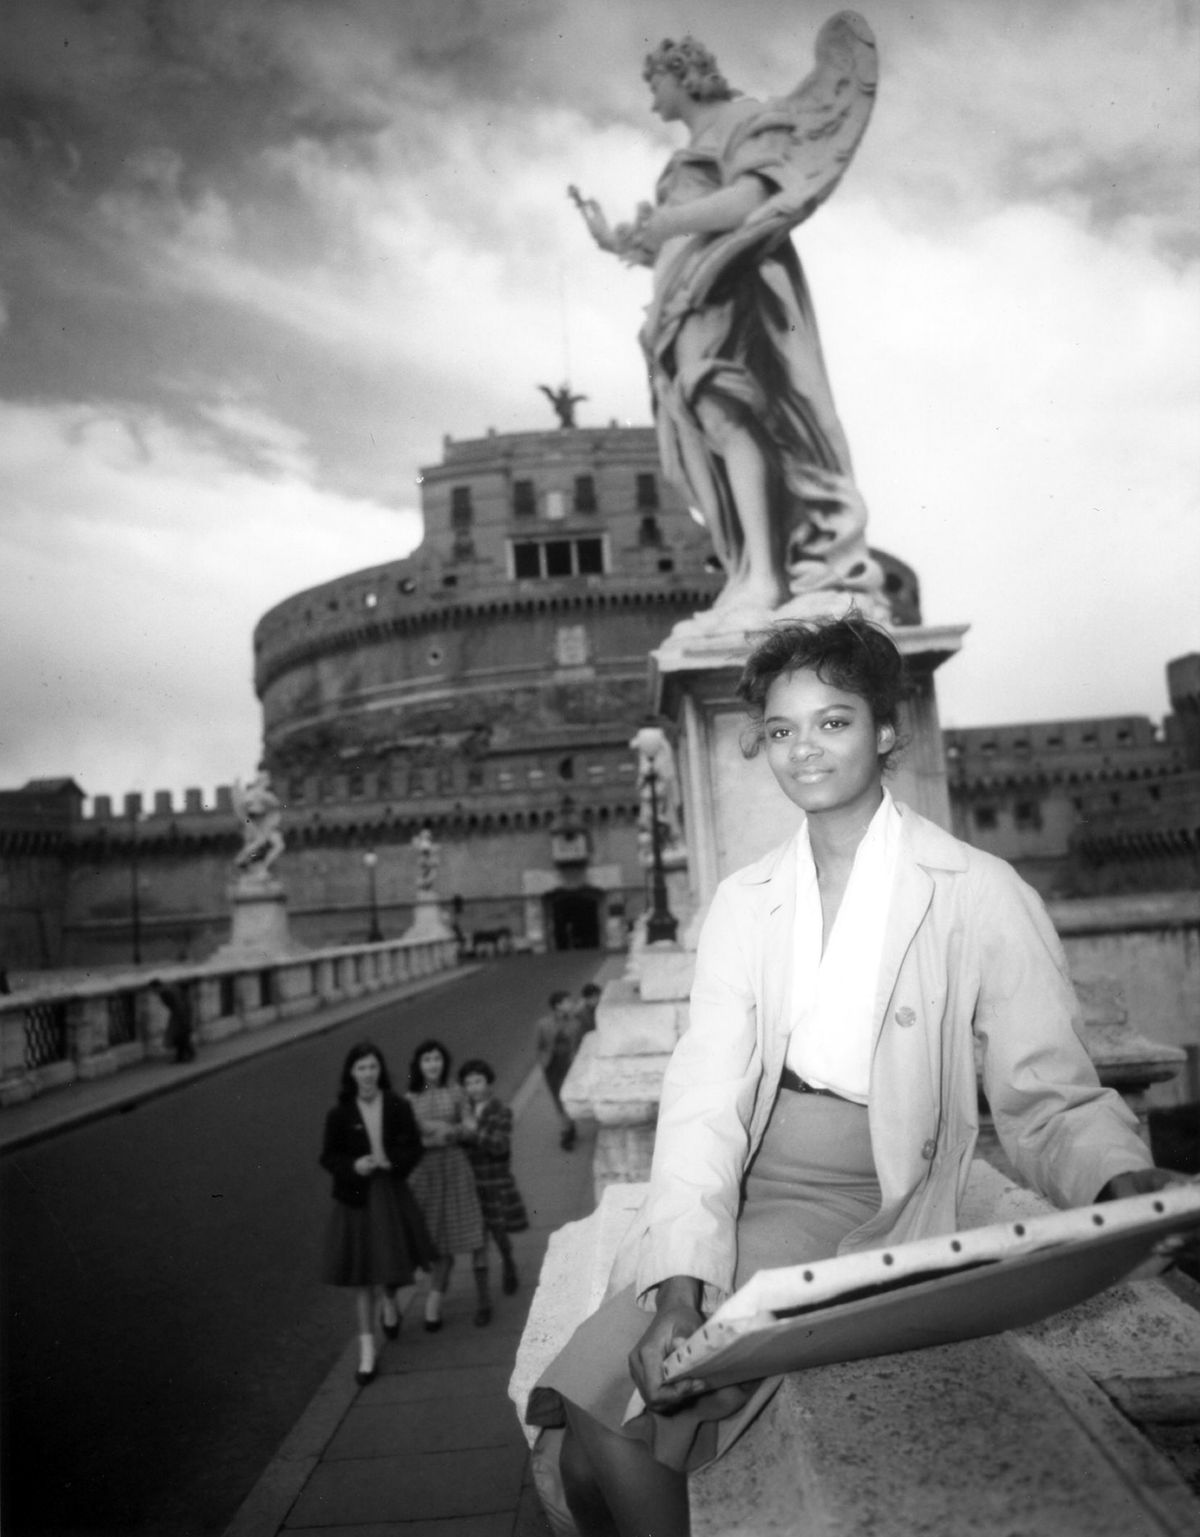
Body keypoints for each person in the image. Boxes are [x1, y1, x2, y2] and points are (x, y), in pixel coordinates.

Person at [526, 614, 1179, 1537]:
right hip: (743, 1167)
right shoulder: (745, 900)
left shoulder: (980, 891)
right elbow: (707, 1093)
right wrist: (680, 1282)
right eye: (783, 730)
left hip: (854, 1189)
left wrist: (1126, 1194)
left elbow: (1046, 1094)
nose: (803, 750)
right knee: (585, 1438)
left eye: (832, 722)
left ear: (886, 731)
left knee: (611, 1425)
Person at [569, 23, 888, 629]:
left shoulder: (746, 118)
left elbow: (749, 201)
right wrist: (619, 237)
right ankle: (750, 572)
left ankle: (766, 577)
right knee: (705, 441)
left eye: (654, 82)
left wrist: (668, 223)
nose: (651, 99)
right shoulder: (688, 150)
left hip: (729, 286)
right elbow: (665, 237)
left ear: (683, 73)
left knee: (730, 416)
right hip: (681, 303)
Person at [319, 1041, 434, 1386]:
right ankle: (367, 1352)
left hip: (390, 1191)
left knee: (389, 1259)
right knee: (362, 1275)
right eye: (361, 1068)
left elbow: (413, 1146)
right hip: (356, 1197)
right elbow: (328, 1157)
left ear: (380, 1070)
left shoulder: (396, 1105)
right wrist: (354, 1164)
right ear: (351, 1074)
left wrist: (392, 1161)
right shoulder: (339, 1114)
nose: (367, 1074)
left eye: (372, 1067)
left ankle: (390, 1301)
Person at [406, 1039, 489, 1329]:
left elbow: (470, 1127)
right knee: (427, 1237)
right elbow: (406, 1137)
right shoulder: (410, 1098)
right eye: (427, 1059)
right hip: (423, 1170)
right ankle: (412, 1299)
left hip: (454, 1167)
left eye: (437, 1059)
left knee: (455, 1234)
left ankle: (433, 1305)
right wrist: (429, 1136)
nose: (433, 1065)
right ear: (419, 1064)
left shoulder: (455, 1092)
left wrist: (447, 1131)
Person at [458, 1057, 529, 1304]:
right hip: (470, 1186)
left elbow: (499, 1145)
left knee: (499, 1233)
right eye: (468, 1084)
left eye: (478, 1081)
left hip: (495, 1183)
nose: (473, 1088)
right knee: (477, 1243)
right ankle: (483, 1300)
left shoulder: (501, 1111)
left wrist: (474, 1131)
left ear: (488, 1083)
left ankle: (508, 1263)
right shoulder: (463, 1112)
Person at [536, 991, 582, 1150]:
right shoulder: (543, 1024)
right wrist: (544, 1061)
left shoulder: (576, 1023)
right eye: (567, 1002)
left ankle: (568, 1129)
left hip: (569, 1064)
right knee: (557, 1097)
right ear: (557, 1005)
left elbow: (578, 1044)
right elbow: (540, 1045)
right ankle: (567, 1128)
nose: (571, 1004)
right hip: (552, 1065)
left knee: (567, 1095)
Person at [149, 977, 195, 1063]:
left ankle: (183, 1056)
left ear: (155, 987)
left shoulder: (165, 992)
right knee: (182, 1035)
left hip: (179, 1015)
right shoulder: (168, 989)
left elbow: (177, 1004)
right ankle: (187, 1054)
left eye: (152, 989)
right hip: (182, 1013)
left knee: (179, 1036)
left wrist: (181, 1018)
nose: (153, 992)